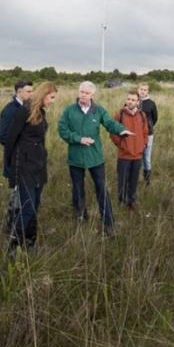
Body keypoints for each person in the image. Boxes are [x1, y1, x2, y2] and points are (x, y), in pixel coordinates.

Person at [58, 81, 132, 236]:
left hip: (95, 157)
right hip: (76, 157)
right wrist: (78, 139)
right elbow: (62, 129)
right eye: (81, 92)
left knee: (101, 188)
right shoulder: (69, 111)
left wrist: (122, 130)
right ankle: (81, 218)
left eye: (86, 93)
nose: (83, 95)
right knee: (78, 189)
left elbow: (110, 124)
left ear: (92, 95)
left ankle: (108, 223)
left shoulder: (98, 111)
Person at [4, 81, 58, 255]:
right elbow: (10, 140)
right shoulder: (23, 111)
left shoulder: (40, 112)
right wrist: (11, 168)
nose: (53, 101)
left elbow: (39, 141)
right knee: (27, 208)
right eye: (52, 97)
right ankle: (14, 247)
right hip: (24, 167)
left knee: (35, 205)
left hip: (38, 167)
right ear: (43, 95)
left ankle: (29, 242)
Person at [0, 78, 33, 232]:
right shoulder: (10, 110)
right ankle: (12, 229)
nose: (32, 94)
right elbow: (2, 136)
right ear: (19, 92)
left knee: (24, 197)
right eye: (29, 91)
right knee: (16, 197)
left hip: (28, 161)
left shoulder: (28, 108)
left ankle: (18, 226)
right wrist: (20, 148)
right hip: (16, 161)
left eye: (32, 91)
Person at [111, 90, 148, 210]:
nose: (130, 102)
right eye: (128, 99)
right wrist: (122, 144)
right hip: (124, 155)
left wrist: (143, 145)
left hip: (137, 155)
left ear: (138, 102)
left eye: (133, 100)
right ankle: (121, 201)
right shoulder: (119, 114)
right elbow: (113, 132)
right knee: (122, 180)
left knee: (134, 180)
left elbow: (145, 132)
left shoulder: (142, 115)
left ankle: (131, 202)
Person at [138, 81, 158, 184]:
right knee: (136, 157)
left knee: (146, 158)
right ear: (138, 90)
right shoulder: (133, 100)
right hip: (135, 135)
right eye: (141, 89)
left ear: (147, 91)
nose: (142, 91)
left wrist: (148, 127)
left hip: (148, 134)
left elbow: (155, 118)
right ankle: (134, 178)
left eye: (145, 90)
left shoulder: (151, 103)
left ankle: (147, 181)